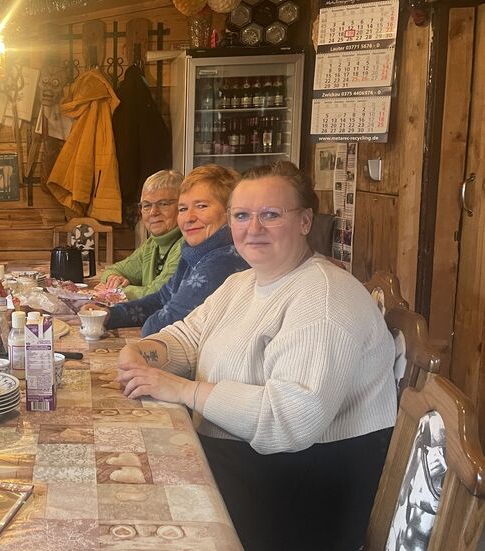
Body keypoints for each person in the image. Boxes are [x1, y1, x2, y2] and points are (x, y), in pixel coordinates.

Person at [115, 161, 397, 550]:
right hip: (249, 463)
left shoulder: (325, 298)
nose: (253, 228)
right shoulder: (243, 282)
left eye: (270, 215)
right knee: (126, 472)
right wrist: (144, 351)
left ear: (304, 221)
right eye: (242, 215)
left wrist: (181, 389)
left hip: (299, 495)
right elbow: (187, 335)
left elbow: (290, 421)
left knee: (133, 510)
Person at [84, 165, 248, 336]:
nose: (189, 217)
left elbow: (167, 321)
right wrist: (109, 315)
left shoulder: (223, 260)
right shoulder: (194, 252)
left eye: (201, 206)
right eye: (183, 209)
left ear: (231, 213)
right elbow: (161, 298)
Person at [99, 169, 185, 300]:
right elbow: (112, 270)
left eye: (163, 204)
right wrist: (113, 279)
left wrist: (116, 290)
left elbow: (158, 294)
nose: (153, 212)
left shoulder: (186, 245)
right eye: (146, 205)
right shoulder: (152, 243)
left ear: (182, 205)